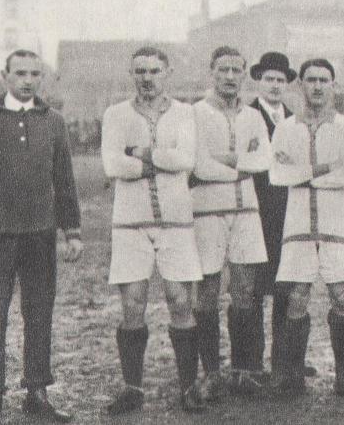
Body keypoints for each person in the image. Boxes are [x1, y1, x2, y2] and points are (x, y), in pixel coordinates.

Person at [0, 49, 82, 425]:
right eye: (20, 73)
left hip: (40, 235)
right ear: (4, 76)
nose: (28, 80)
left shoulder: (53, 121)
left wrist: (72, 231)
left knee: (39, 314)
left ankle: (37, 392)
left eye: (35, 74)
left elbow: (64, 180)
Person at [101, 46, 207, 415]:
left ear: (168, 73)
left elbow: (186, 159)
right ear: (132, 74)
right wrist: (160, 159)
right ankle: (132, 388)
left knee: (180, 300)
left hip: (176, 221)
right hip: (130, 223)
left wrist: (139, 153)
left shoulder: (185, 113)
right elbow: (112, 164)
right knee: (133, 303)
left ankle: (189, 388)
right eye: (140, 71)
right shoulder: (116, 114)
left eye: (154, 71)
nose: (147, 78)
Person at [268, 58, 344, 397]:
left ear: (333, 85)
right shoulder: (285, 128)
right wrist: (324, 169)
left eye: (324, 80)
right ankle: (294, 375)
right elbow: (277, 175)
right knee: (297, 297)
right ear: (301, 85)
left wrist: (302, 173)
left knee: (341, 297)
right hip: (297, 226)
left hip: (336, 224)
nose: (317, 86)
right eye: (311, 79)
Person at [189, 46, 272, 398]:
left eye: (236, 70)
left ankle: (243, 370)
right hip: (207, 210)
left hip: (247, 211)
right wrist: (242, 164)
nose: (229, 76)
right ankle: (210, 372)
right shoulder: (194, 113)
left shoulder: (253, 116)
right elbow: (198, 166)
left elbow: (264, 160)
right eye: (223, 69)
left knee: (245, 290)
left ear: (244, 74)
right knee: (207, 290)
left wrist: (225, 160)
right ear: (211, 71)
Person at [247, 51, 312, 387]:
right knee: (254, 289)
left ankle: (284, 364)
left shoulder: (296, 120)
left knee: (286, 287)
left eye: (280, 80)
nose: (274, 85)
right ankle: (252, 364)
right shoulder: (246, 116)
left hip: (288, 213)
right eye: (269, 79)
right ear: (258, 81)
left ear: (288, 84)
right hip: (255, 212)